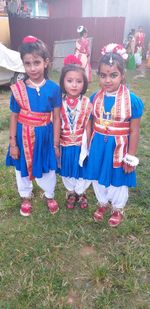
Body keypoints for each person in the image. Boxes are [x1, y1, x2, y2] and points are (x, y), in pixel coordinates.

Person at [85, 43, 144, 227]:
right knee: (96, 175)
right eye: (103, 75)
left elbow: (134, 130)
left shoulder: (132, 100)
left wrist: (131, 156)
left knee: (117, 177)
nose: (107, 80)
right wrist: (87, 147)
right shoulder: (94, 97)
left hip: (118, 146)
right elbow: (90, 122)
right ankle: (102, 202)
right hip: (98, 145)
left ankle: (117, 207)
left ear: (122, 76)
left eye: (113, 75)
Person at [6, 35, 61, 216]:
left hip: (44, 136)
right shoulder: (18, 89)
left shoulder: (53, 88)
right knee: (21, 166)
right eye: (27, 63)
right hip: (22, 135)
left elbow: (56, 117)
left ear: (46, 62)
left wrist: (55, 143)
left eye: (36, 62)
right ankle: (26, 196)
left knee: (47, 166)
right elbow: (14, 116)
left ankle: (49, 194)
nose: (32, 68)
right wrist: (13, 144)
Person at [59, 54, 92, 209]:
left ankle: (82, 192)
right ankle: (71, 192)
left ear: (84, 83)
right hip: (65, 143)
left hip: (81, 144)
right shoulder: (59, 102)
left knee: (82, 169)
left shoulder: (87, 103)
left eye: (79, 81)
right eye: (69, 80)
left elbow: (88, 125)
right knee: (67, 169)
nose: (74, 85)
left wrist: (89, 145)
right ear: (63, 82)